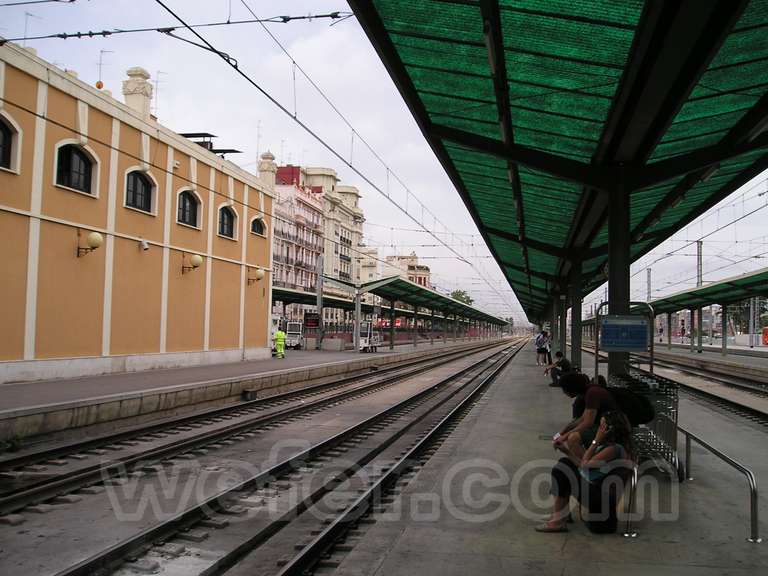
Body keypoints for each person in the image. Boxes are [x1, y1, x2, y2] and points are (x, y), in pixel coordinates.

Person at [536, 410, 636, 533]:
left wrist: (596, 441)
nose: (598, 429)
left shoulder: (613, 449)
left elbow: (584, 464)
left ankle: (558, 521)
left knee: (563, 468)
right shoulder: (615, 447)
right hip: (598, 490)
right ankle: (561, 514)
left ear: (608, 430)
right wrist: (566, 451)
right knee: (565, 463)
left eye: (601, 426)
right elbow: (584, 465)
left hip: (601, 497)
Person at [554, 372, 618, 460]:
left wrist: (564, 437)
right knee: (573, 434)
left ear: (571, 387)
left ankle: (586, 468)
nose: (564, 392)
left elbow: (588, 423)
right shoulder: (588, 392)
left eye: (564, 389)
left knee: (573, 438)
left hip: (611, 428)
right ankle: (586, 463)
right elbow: (582, 419)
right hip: (603, 425)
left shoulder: (592, 393)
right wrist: (560, 434)